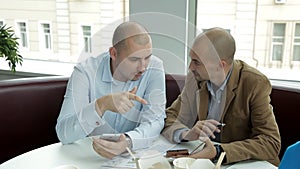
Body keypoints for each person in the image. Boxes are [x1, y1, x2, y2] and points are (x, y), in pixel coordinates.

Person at [162, 27, 281, 166]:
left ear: (220, 65)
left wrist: (219, 152)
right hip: (204, 162)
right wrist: (186, 133)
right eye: (191, 59)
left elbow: (270, 142)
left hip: (245, 163)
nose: (190, 67)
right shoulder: (195, 78)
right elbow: (170, 117)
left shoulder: (255, 83)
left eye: (196, 62)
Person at [56, 21, 166, 159]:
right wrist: (101, 105)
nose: (143, 67)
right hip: (88, 156)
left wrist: (128, 141)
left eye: (147, 57)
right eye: (134, 59)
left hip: (132, 155)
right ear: (113, 53)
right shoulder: (85, 72)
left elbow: (156, 120)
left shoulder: (155, 67)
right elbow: (63, 134)